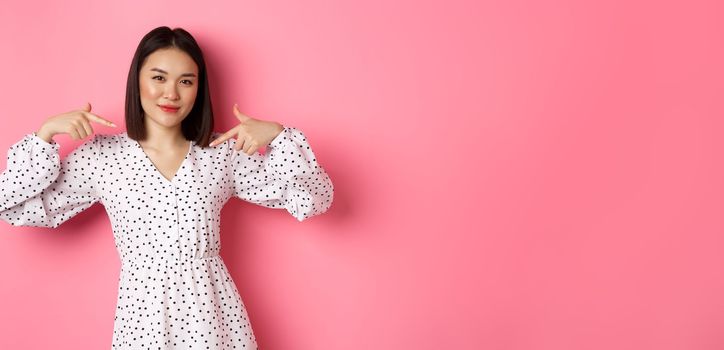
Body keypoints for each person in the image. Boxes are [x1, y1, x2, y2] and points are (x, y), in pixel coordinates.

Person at [0, 26, 334, 349]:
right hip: (141, 321)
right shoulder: (101, 157)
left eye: (185, 81)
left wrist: (280, 138)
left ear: (198, 89)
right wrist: (44, 137)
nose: (171, 94)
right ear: (138, 81)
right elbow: (11, 205)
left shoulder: (222, 154)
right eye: (158, 78)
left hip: (213, 319)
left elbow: (314, 200)